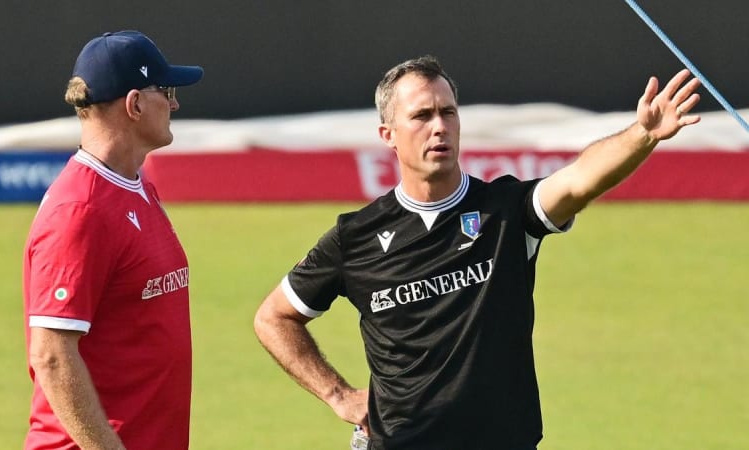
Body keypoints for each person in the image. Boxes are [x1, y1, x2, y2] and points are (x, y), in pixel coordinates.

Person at [254, 55, 700, 449]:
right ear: (388, 134)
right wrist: (337, 394)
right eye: (422, 115)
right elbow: (274, 317)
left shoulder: (506, 212)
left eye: (448, 112)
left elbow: (580, 179)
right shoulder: (356, 237)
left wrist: (643, 134)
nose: (439, 126)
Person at [22, 30, 203, 450]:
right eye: (167, 90)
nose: (175, 103)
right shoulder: (80, 210)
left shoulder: (135, 187)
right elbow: (51, 356)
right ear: (135, 104)